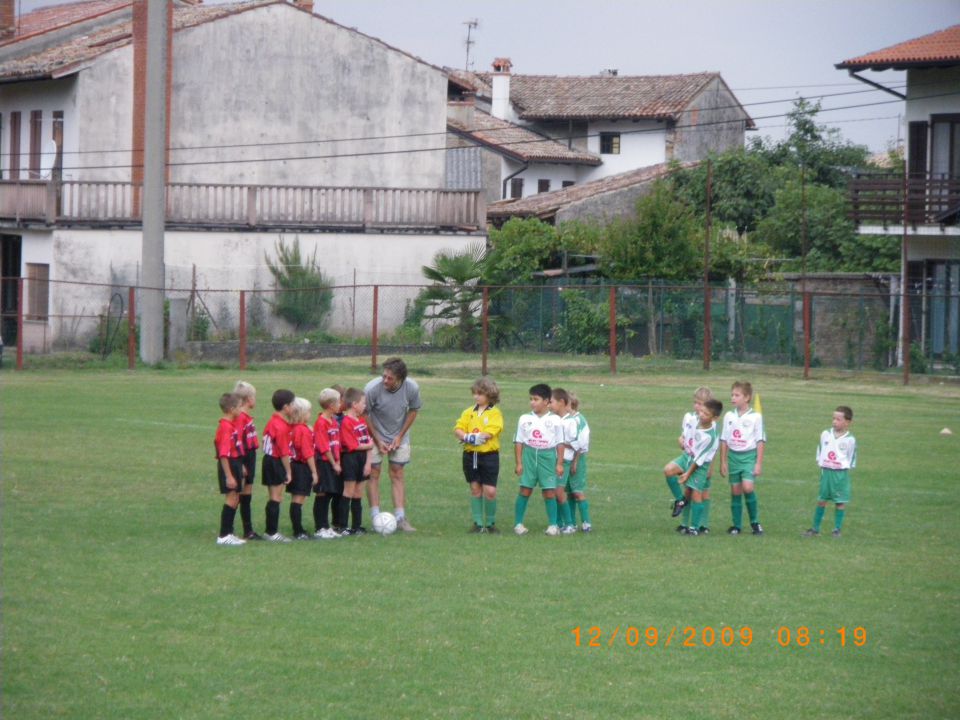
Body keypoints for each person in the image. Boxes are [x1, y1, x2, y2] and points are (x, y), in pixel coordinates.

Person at [364, 357, 421, 532]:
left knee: (397, 472)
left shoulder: (412, 388)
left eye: (390, 378)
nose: (385, 380)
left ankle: (401, 518)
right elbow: (364, 415)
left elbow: (413, 410)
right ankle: (375, 517)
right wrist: (377, 440)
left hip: (399, 436)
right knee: (373, 473)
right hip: (373, 435)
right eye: (384, 376)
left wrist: (399, 436)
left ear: (400, 379)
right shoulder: (372, 389)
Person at [513, 383, 565, 536]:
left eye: (535, 399)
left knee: (549, 492)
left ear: (546, 401)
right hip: (529, 456)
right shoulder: (524, 418)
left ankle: (553, 525)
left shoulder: (555, 420)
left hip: (547, 456)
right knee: (525, 489)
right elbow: (519, 441)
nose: (532, 402)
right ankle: (518, 524)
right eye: (531, 399)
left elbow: (560, 443)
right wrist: (519, 463)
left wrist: (560, 463)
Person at [454, 377, 504, 533]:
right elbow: (458, 429)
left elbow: (490, 433)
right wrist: (467, 437)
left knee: (490, 491)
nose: (476, 396)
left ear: (489, 395)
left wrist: (474, 437)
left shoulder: (495, 413)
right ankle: (477, 523)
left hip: (489, 456)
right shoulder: (468, 412)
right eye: (474, 393)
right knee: (475, 488)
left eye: (480, 394)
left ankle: (490, 524)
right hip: (471, 455)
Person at [719, 381, 766, 536]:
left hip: (748, 457)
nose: (733, 397)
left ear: (747, 398)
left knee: (748, 488)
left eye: (737, 395)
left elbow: (760, 441)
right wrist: (723, 461)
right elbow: (724, 440)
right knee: (735, 491)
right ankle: (736, 525)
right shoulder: (729, 416)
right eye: (732, 394)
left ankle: (755, 523)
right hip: (733, 457)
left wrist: (758, 463)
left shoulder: (756, 417)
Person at [664, 387, 713, 530]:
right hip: (687, 457)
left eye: (700, 403)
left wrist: (711, 466)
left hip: (701, 463)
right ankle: (680, 502)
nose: (696, 406)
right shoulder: (689, 417)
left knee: (700, 493)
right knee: (668, 471)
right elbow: (684, 437)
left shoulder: (710, 424)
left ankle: (701, 525)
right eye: (695, 402)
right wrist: (680, 440)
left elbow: (712, 448)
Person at [804, 406, 856, 538]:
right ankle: (815, 529)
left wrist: (841, 466)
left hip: (840, 475)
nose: (834, 422)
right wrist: (821, 462)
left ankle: (837, 529)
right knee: (822, 500)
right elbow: (820, 450)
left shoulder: (850, 440)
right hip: (826, 472)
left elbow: (851, 458)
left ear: (847, 422)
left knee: (840, 502)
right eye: (833, 418)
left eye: (838, 419)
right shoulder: (825, 434)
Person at [678, 398, 723, 536]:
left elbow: (699, 460)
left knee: (697, 495)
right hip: (691, 462)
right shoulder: (695, 422)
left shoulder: (709, 436)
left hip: (700, 467)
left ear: (715, 418)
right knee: (688, 492)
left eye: (706, 413)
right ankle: (684, 524)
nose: (702, 415)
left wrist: (687, 474)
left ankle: (695, 527)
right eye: (701, 411)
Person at [261, 388, 295, 543]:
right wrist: (289, 471)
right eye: (293, 404)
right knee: (276, 497)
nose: (294, 407)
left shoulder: (274, 421)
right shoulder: (280, 426)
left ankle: (271, 531)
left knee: (274, 497)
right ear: (286, 407)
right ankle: (271, 532)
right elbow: (283, 452)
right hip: (275, 462)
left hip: (269, 461)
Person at [339, 387, 374, 536]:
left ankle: (356, 525)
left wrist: (368, 463)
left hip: (362, 459)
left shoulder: (361, 421)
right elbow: (352, 445)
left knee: (358, 492)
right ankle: (342, 526)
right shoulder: (346, 422)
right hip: (350, 459)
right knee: (349, 490)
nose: (365, 406)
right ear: (354, 404)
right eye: (363, 403)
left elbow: (368, 442)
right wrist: (369, 445)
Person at [214, 392, 246, 545]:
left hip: (235, 463)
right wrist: (229, 476)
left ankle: (229, 532)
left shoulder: (231, 425)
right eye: (239, 407)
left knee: (235, 498)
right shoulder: (225, 427)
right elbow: (223, 454)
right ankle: (224, 535)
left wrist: (241, 466)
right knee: (231, 498)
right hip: (229, 465)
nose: (241, 410)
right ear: (232, 409)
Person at [233, 380, 262, 541]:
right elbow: (236, 440)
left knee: (247, 492)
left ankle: (248, 529)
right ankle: (231, 529)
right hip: (243, 456)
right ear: (248, 399)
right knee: (238, 493)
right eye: (254, 397)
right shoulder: (240, 418)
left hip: (250, 455)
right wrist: (241, 463)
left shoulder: (246, 417)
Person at [312, 388, 343, 539]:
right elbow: (324, 446)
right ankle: (320, 527)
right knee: (322, 493)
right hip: (323, 463)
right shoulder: (321, 423)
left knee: (330, 493)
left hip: (333, 462)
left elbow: (336, 444)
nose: (340, 404)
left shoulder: (334, 421)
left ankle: (326, 526)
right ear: (331, 405)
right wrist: (333, 463)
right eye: (338, 402)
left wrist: (338, 461)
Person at [287, 397, 318, 540]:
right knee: (299, 499)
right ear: (302, 413)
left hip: (292, 465)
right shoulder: (303, 431)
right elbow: (307, 453)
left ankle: (297, 528)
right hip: (301, 467)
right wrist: (314, 471)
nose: (310, 414)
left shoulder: (292, 428)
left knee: (296, 498)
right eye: (309, 411)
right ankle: (298, 531)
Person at [549, 388, 576, 534]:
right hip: (552, 460)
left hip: (564, 460)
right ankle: (557, 523)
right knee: (552, 492)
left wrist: (558, 442)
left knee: (559, 492)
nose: (549, 405)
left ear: (561, 402)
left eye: (551, 402)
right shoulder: (552, 419)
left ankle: (570, 524)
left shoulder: (570, 422)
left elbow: (574, 443)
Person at [567, 392, 593, 533]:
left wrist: (575, 462)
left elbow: (581, 444)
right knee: (568, 492)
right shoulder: (565, 419)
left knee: (577, 491)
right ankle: (571, 523)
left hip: (576, 460)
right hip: (565, 460)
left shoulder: (579, 420)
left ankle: (586, 522)